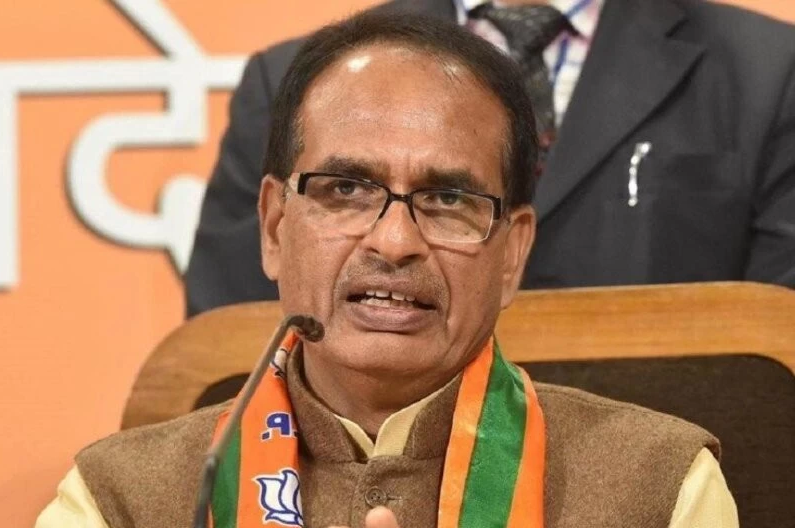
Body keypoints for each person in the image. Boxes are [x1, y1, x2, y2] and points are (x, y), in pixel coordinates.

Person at [27, 13, 739, 528]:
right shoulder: (120, 501)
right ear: (274, 226)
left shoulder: (659, 486)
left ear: (512, 252)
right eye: (345, 189)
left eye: (449, 199)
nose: (394, 242)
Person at [185, 0, 795, 317]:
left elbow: (775, 351)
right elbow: (227, 338)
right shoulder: (300, 78)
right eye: (349, 190)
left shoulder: (767, 72)